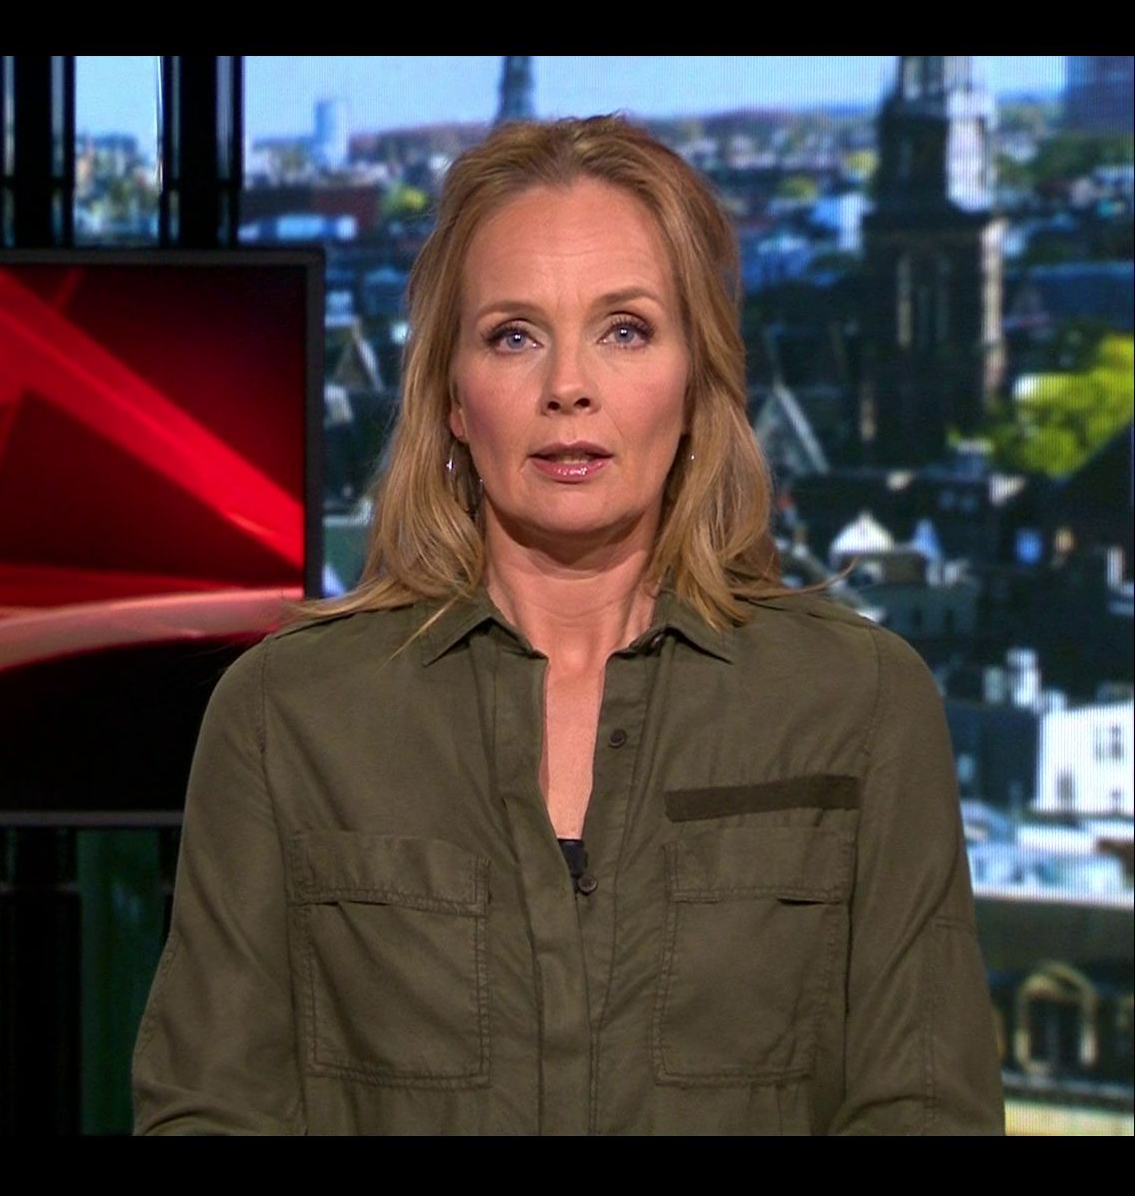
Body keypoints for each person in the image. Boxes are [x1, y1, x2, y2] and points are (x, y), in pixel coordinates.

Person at [131, 114, 1005, 1135]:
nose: (568, 388)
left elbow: (925, 1109)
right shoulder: (288, 715)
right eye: (514, 336)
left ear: (697, 380)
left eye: (624, 329)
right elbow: (209, 1111)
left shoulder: (858, 705)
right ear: (454, 397)